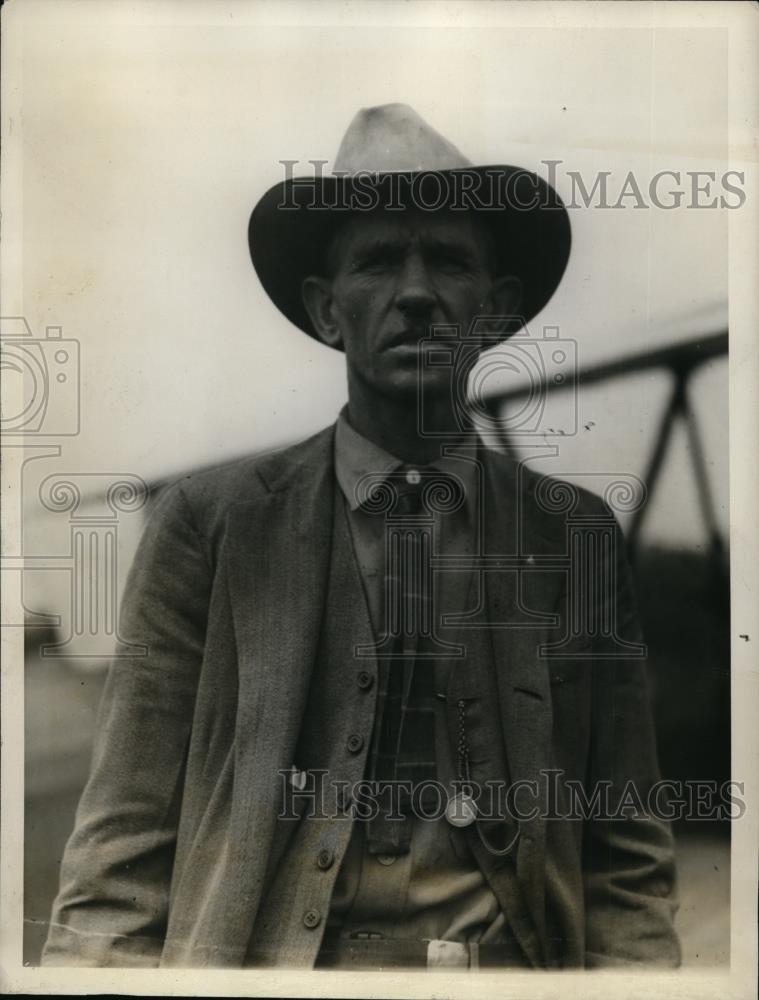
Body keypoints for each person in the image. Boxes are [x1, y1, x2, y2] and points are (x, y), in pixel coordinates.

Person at [42, 104, 680, 970]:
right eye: (377, 261)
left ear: (493, 310)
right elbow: (123, 847)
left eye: (448, 262)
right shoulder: (211, 525)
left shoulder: (572, 536)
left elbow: (626, 857)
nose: (415, 294)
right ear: (326, 310)